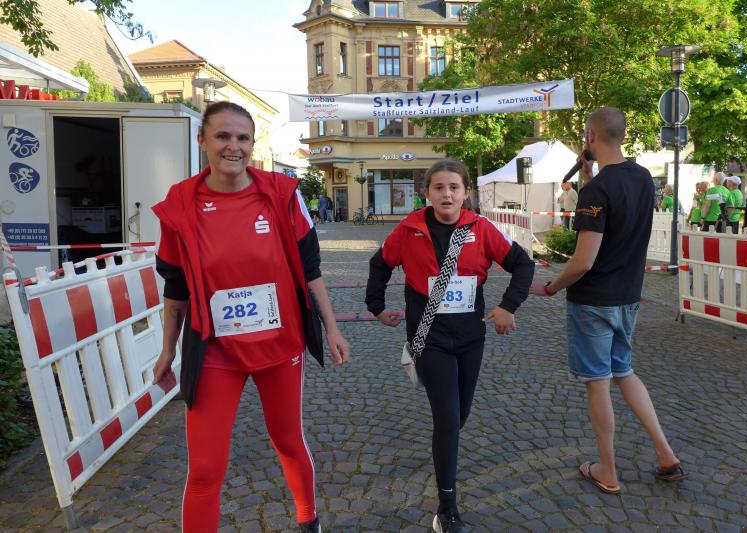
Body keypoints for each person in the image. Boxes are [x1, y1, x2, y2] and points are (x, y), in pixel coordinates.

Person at [151, 101, 350, 533]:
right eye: (222, 136)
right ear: (202, 140)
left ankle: (308, 520)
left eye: (243, 138)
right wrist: (167, 348)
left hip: (280, 345)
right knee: (205, 469)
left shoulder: (281, 194)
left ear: (252, 144)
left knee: (287, 440)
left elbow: (310, 269)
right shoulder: (180, 204)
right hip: (215, 350)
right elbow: (176, 287)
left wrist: (332, 328)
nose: (233, 147)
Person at [365, 159, 534, 533]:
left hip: (471, 337)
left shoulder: (481, 228)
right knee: (446, 418)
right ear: (427, 192)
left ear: (466, 192)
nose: (447, 194)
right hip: (429, 338)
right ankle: (447, 510)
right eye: (439, 187)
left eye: (454, 187)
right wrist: (376, 307)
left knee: (458, 416)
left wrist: (508, 306)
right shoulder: (409, 229)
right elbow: (380, 264)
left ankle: (444, 454)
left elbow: (523, 264)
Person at [530, 107, 687, 495]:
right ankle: (666, 453)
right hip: (628, 296)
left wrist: (551, 287)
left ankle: (608, 471)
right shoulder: (642, 177)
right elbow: (618, 215)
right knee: (624, 372)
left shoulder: (596, 191)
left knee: (598, 382)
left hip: (594, 301)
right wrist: (589, 180)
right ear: (622, 135)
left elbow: (583, 262)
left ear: (590, 137)